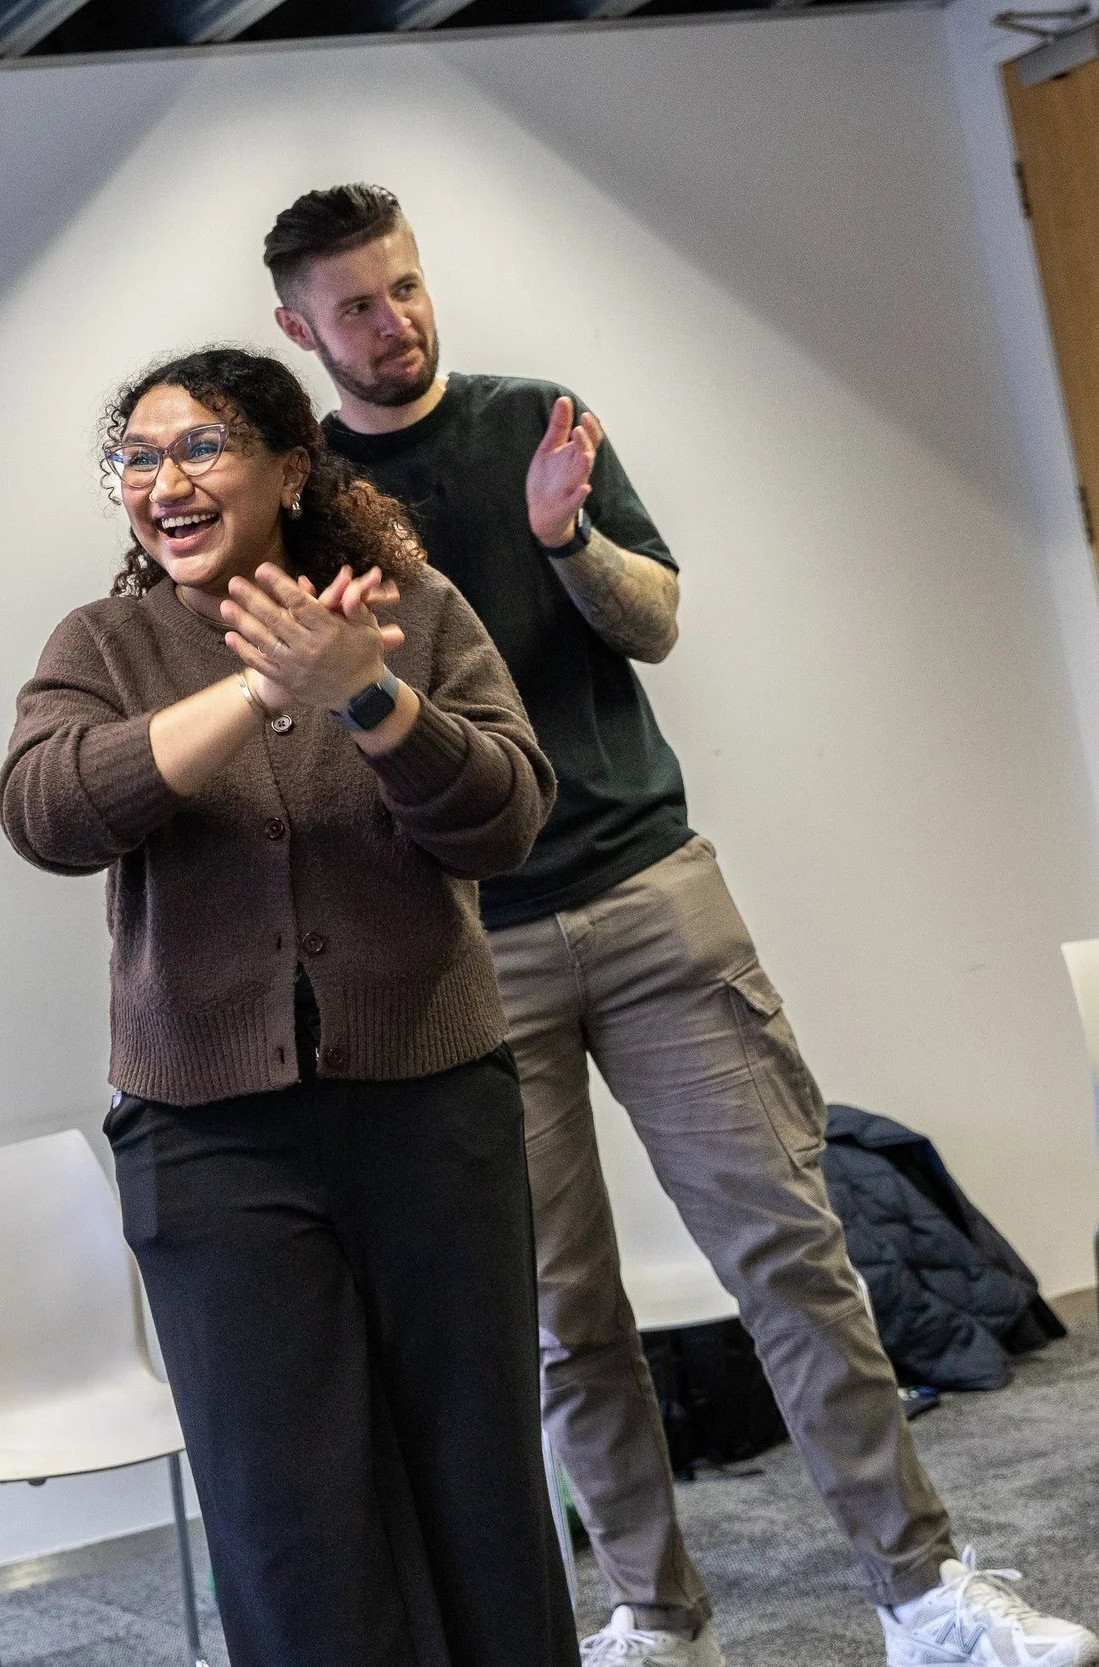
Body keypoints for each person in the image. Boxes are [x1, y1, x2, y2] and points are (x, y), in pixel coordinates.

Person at [269, 180, 1099, 1667]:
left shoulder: (539, 417)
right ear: (296, 327)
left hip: (651, 896)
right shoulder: (309, 489)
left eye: (404, 287)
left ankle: (924, 1594)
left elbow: (653, 619)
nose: (392, 322)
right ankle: (656, 1617)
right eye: (355, 306)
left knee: (791, 1249)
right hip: (463, 941)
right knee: (557, 1314)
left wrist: (568, 535)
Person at [0, 345, 571, 1667]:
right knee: (284, 1517)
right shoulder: (104, 642)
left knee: (482, 1484)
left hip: (432, 1107)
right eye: (137, 458)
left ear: (289, 467)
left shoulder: (412, 609)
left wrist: (366, 694)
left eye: (199, 447)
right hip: (211, 1142)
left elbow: (505, 815)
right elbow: (49, 810)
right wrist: (261, 690)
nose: (165, 482)